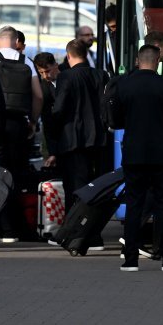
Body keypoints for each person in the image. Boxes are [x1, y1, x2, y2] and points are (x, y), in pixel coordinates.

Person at [117, 44, 163, 272]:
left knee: (134, 206)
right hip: (162, 154)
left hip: (134, 154)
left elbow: (115, 118)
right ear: (157, 61)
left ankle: (130, 260)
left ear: (138, 60)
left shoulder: (124, 85)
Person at [0, 26, 44, 242]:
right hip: (18, 125)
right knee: (16, 174)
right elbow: (38, 96)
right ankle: (18, 227)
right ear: (17, 42)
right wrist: (33, 122)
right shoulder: (26, 61)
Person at [48, 40, 109, 217]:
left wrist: (53, 131)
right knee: (95, 185)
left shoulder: (65, 77)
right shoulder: (101, 75)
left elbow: (59, 109)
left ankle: (75, 229)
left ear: (68, 56)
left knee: (74, 185)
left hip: (73, 139)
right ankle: (93, 230)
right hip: (98, 138)